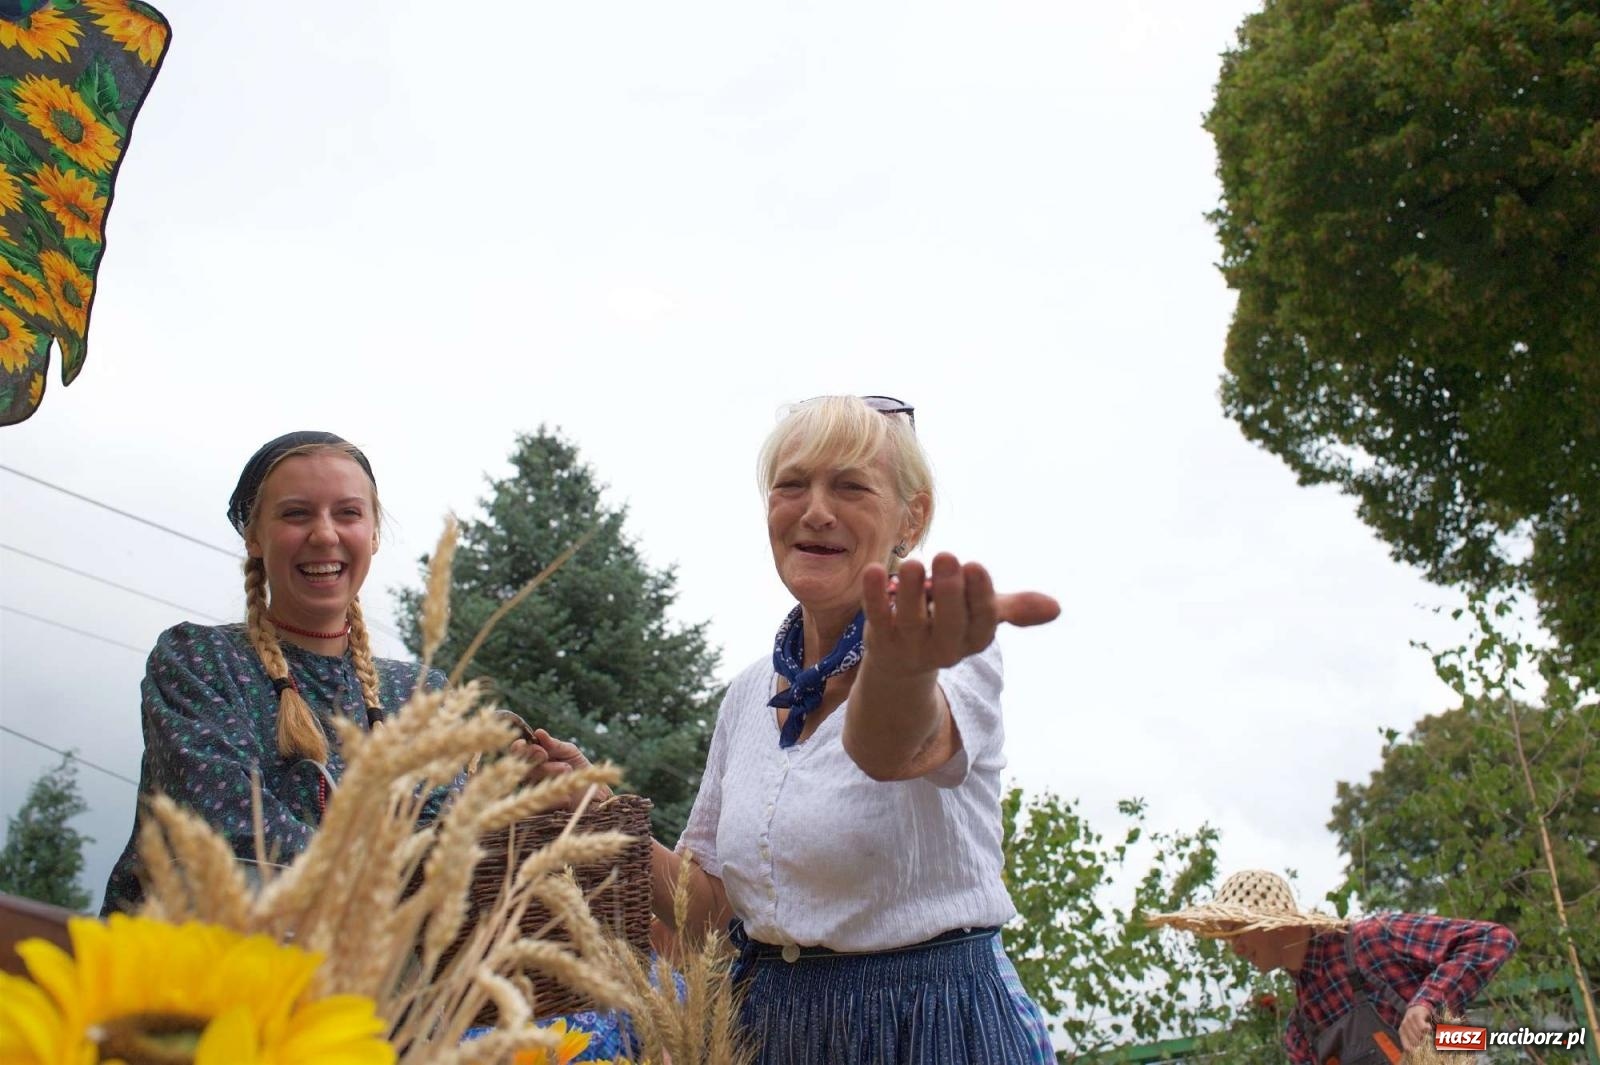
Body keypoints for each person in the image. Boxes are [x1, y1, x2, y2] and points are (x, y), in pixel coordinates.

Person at [523, 394, 1062, 1064]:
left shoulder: (943, 643)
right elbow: (714, 912)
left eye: (850, 486)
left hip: (926, 1025)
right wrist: (599, 815)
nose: (815, 510)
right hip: (769, 1029)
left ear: (912, 517)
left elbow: (896, 748)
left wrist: (897, 667)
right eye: (792, 484)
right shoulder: (749, 694)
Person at [102, 431, 447, 913]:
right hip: (195, 955)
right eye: (296, 514)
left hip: (366, 960)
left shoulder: (418, 694)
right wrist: (399, 887)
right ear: (254, 537)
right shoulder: (200, 660)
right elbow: (232, 829)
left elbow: (451, 845)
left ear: (373, 534)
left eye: (348, 513)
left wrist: (548, 799)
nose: (324, 534)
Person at [1146, 869, 1518, 1064]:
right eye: (1227, 937)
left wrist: (1426, 1003)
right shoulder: (1301, 1031)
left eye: (1238, 931)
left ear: (1274, 924)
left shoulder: (1373, 939)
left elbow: (1493, 939)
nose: (1235, 947)